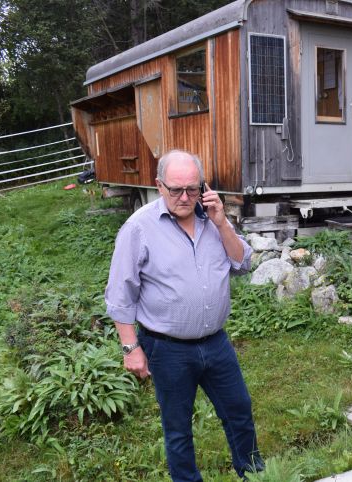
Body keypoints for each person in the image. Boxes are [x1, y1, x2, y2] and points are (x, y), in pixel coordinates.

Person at [105, 149, 263, 481]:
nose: (185, 197)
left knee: (239, 412)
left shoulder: (212, 219)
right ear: (159, 185)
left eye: (193, 188)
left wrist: (221, 223)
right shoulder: (139, 228)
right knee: (178, 429)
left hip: (216, 344)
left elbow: (242, 262)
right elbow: (121, 293)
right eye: (176, 189)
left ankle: (254, 475)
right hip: (167, 348)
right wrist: (130, 348)